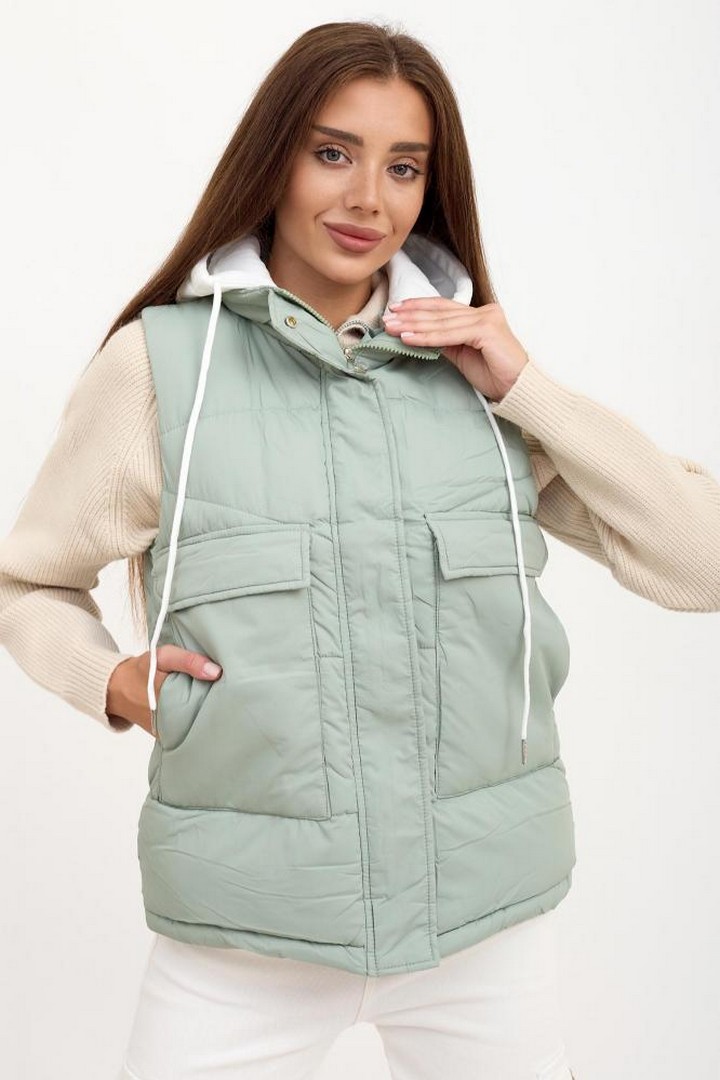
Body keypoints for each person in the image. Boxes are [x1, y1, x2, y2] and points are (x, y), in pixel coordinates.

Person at [2, 19, 719, 1080]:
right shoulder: (159, 370)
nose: (367, 199)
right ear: (274, 158)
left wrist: (529, 389)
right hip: (243, 932)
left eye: (403, 167)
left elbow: (704, 559)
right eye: (333, 152)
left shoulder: (480, 381)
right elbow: (29, 581)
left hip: (486, 927)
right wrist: (107, 678)